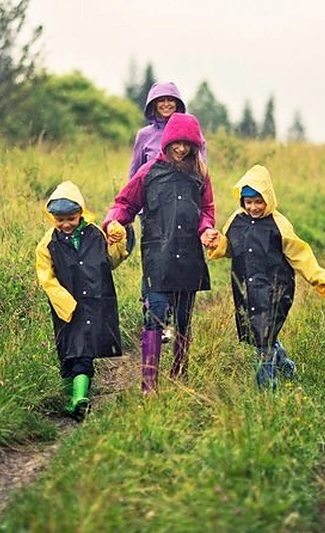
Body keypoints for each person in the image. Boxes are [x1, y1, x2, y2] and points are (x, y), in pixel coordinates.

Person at [104, 113, 218, 394]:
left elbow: (207, 210)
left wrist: (206, 230)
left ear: (195, 145)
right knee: (154, 313)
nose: (181, 149)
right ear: (166, 142)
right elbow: (125, 204)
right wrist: (114, 222)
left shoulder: (200, 174)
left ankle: (179, 374)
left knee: (183, 319)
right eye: (176, 143)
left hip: (189, 256)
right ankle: (148, 385)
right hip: (158, 256)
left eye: (188, 144)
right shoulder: (148, 172)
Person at [208, 164, 325, 389]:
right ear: (242, 201)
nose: (254, 207)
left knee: (263, 336)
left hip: (275, 289)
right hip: (245, 288)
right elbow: (230, 246)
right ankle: (285, 364)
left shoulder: (279, 224)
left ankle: (267, 390)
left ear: (268, 199)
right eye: (249, 202)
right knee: (258, 334)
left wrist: (319, 278)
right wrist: (216, 243)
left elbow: (300, 254)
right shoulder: (236, 220)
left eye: (259, 201)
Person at [36, 181, 129, 420]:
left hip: (95, 301)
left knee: (84, 351)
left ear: (81, 213)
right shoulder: (48, 243)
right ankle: (71, 398)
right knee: (68, 351)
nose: (66, 224)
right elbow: (46, 277)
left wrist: (118, 242)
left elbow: (110, 262)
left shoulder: (96, 234)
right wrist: (63, 301)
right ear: (52, 218)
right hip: (66, 307)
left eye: (71, 218)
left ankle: (80, 398)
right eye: (60, 220)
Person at [126, 81, 207, 344]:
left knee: (179, 267)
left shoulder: (193, 135)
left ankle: (171, 316)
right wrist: (136, 210)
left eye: (170, 100)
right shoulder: (144, 136)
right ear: (152, 105)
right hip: (153, 212)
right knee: (156, 263)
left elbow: (200, 173)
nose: (166, 104)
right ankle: (154, 311)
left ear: (178, 104)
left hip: (182, 214)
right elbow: (135, 174)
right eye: (160, 101)